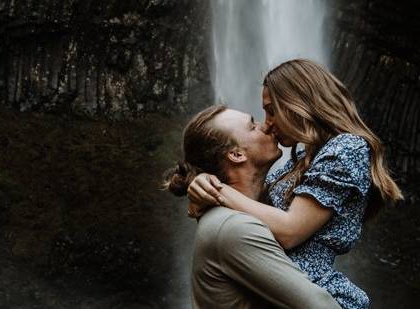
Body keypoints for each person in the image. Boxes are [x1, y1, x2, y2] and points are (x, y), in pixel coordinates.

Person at [189, 59, 404, 309]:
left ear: (297, 103)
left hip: (315, 290)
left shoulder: (346, 148)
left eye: (271, 110)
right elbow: (253, 198)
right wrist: (200, 184)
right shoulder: (302, 160)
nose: (267, 123)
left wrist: (218, 191)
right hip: (285, 287)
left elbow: (290, 231)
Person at [163, 104, 339, 309]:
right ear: (236, 154)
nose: (266, 126)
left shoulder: (254, 209)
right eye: (252, 125)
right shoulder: (234, 227)